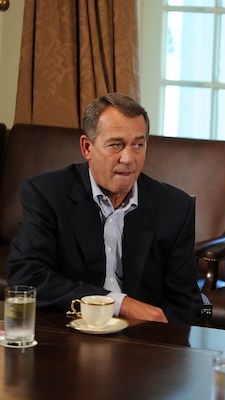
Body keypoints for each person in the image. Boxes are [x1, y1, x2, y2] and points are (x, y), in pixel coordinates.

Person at [6, 93, 204, 325]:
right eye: (116, 145)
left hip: (142, 334)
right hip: (73, 328)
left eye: (138, 145)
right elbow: (27, 277)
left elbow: (184, 301)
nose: (128, 158)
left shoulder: (175, 206)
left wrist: (159, 337)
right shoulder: (46, 193)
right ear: (87, 147)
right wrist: (119, 303)